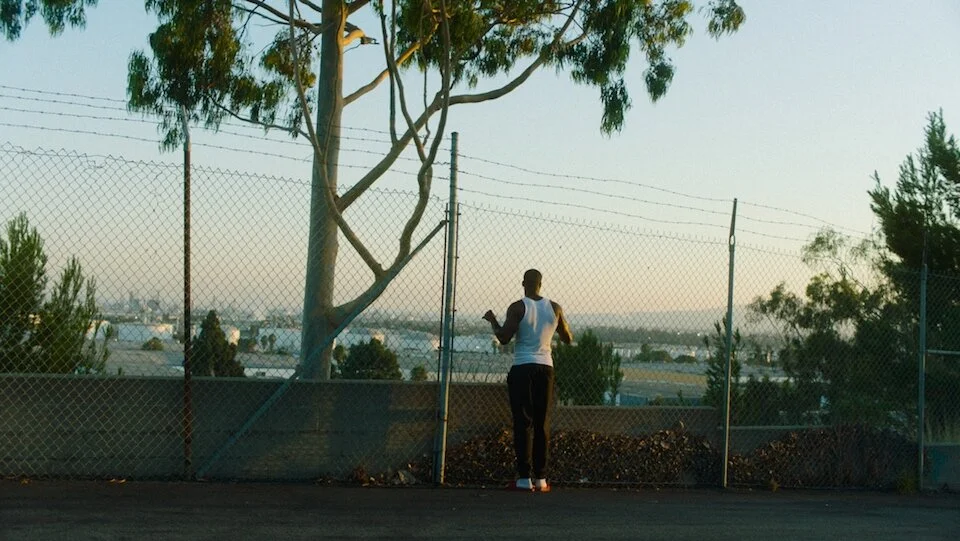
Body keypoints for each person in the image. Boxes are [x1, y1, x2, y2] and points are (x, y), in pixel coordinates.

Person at [483, 269, 573, 492]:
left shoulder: (517, 307)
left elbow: (504, 338)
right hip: (546, 368)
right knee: (542, 423)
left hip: (523, 367)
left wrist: (493, 320)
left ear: (524, 283)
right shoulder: (555, 308)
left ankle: (524, 479)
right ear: (541, 284)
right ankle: (541, 479)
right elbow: (567, 338)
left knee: (523, 423)